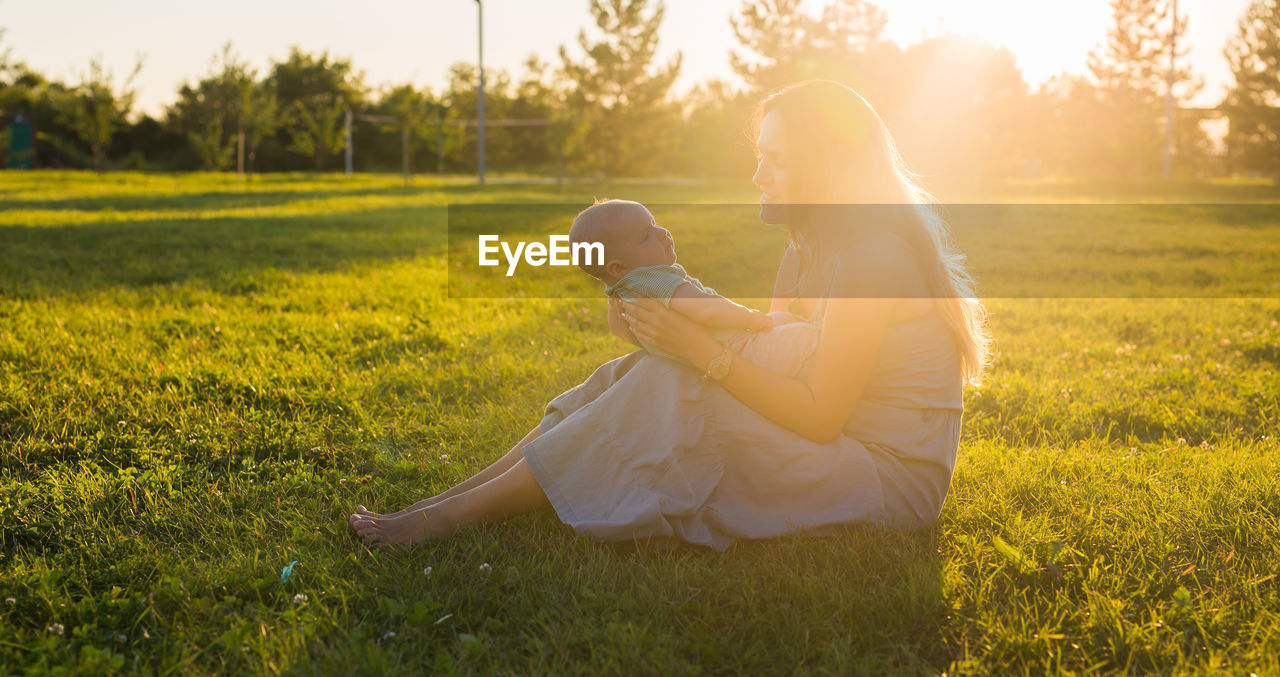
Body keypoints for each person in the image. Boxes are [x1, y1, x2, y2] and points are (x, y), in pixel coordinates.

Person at [349, 79, 990, 550]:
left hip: (884, 476)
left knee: (670, 382)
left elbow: (820, 415)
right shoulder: (806, 255)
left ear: (826, 168)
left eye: (778, 159)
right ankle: (452, 499)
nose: (758, 173)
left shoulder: (873, 260)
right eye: (760, 154)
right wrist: (667, 337)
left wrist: (700, 352)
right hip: (837, 441)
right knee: (624, 375)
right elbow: (779, 358)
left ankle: (449, 521)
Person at [568, 197, 819, 376]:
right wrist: (751, 318)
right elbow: (706, 310)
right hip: (738, 349)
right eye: (646, 236)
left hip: (702, 359)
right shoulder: (652, 279)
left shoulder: (621, 296)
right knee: (807, 338)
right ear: (617, 268)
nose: (662, 232)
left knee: (784, 318)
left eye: (655, 223)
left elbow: (620, 330)